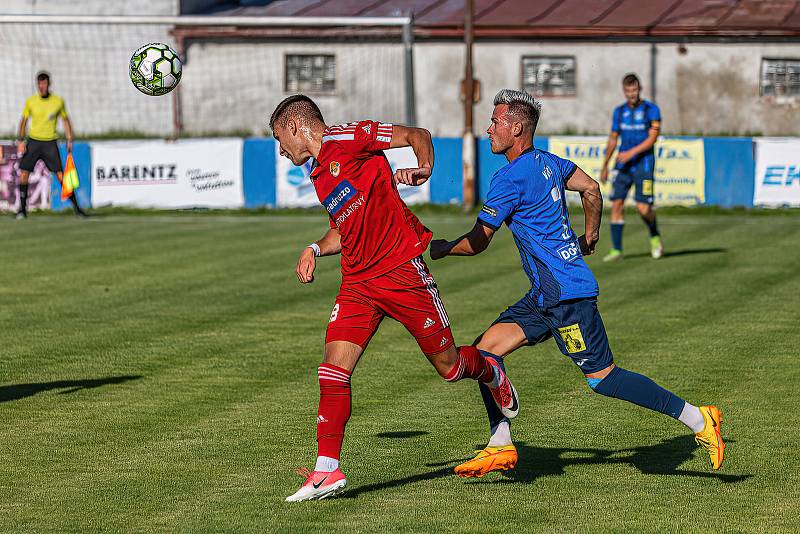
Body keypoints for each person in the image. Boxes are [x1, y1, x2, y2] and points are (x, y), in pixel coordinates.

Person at [430, 89, 725, 479]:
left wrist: (441, 248)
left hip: (566, 297)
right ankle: (500, 444)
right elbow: (591, 189)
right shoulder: (551, 163)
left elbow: (479, 242)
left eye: (495, 121)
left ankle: (699, 418)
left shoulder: (508, 179)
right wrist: (590, 238)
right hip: (545, 295)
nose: (489, 129)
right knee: (485, 353)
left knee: (603, 379)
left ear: (516, 128)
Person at [270, 94, 519, 502]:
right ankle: (326, 471)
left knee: (451, 368)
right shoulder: (319, 175)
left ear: (297, 126)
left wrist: (424, 166)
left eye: (281, 139)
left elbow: (417, 134)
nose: (281, 150)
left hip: (403, 272)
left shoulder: (347, 139)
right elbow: (342, 230)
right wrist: (314, 248)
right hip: (358, 283)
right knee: (333, 370)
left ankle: (491, 371)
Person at [599, 73, 662, 261]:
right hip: (622, 165)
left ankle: (654, 234)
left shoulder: (652, 110)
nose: (631, 94)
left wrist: (630, 153)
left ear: (639, 89)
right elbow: (613, 139)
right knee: (616, 203)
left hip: (644, 164)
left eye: (634, 90)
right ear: (624, 91)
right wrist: (605, 165)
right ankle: (617, 250)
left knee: (643, 208)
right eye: (628, 91)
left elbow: (652, 139)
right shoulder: (619, 112)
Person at [16, 71, 86, 219]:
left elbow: (66, 120)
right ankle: (22, 211)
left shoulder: (58, 101)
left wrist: (69, 139)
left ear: (49, 84)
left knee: (61, 177)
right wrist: (21, 141)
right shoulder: (31, 101)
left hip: (50, 143)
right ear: (37, 85)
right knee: (23, 175)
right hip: (33, 141)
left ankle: (78, 209)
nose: (42, 87)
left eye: (45, 84)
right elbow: (23, 121)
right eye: (40, 84)